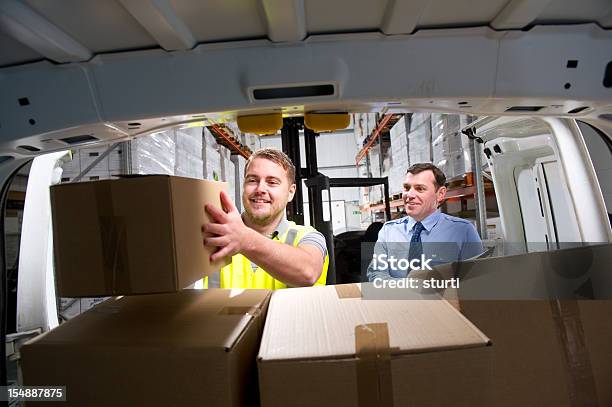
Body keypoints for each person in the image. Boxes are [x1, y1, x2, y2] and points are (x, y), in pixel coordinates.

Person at [201, 148, 328, 289]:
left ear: (290, 192)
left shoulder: (308, 236)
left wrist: (244, 239)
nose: (260, 189)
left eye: (272, 182)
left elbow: (308, 272)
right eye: (252, 180)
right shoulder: (214, 232)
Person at [367, 163, 484, 281]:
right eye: (407, 188)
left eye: (420, 189)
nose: (410, 195)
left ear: (440, 194)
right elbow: (376, 274)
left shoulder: (463, 231)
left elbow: (475, 279)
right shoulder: (388, 231)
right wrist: (409, 287)